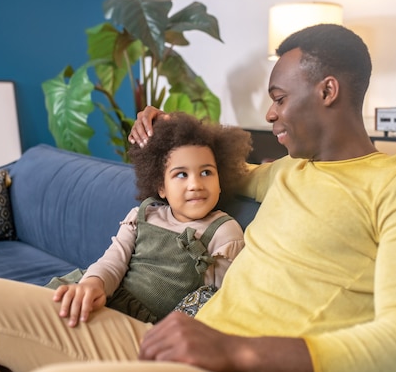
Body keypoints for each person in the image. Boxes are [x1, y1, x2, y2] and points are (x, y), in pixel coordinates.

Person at [0, 24, 396, 372]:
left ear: (327, 91)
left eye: (279, 98)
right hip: (179, 342)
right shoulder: (288, 173)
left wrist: (240, 354)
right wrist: (165, 128)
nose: (270, 115)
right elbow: (219, 167)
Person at [48, 111, 251, 325]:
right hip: (101, 293)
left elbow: (220, 303)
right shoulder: (143, 214)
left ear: (221, 179)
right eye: (181, 174)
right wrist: (93, 283)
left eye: (206, 172)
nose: (196, 185)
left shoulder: (223, 231)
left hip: (137, 326)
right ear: (161, 186)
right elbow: (113, 260)